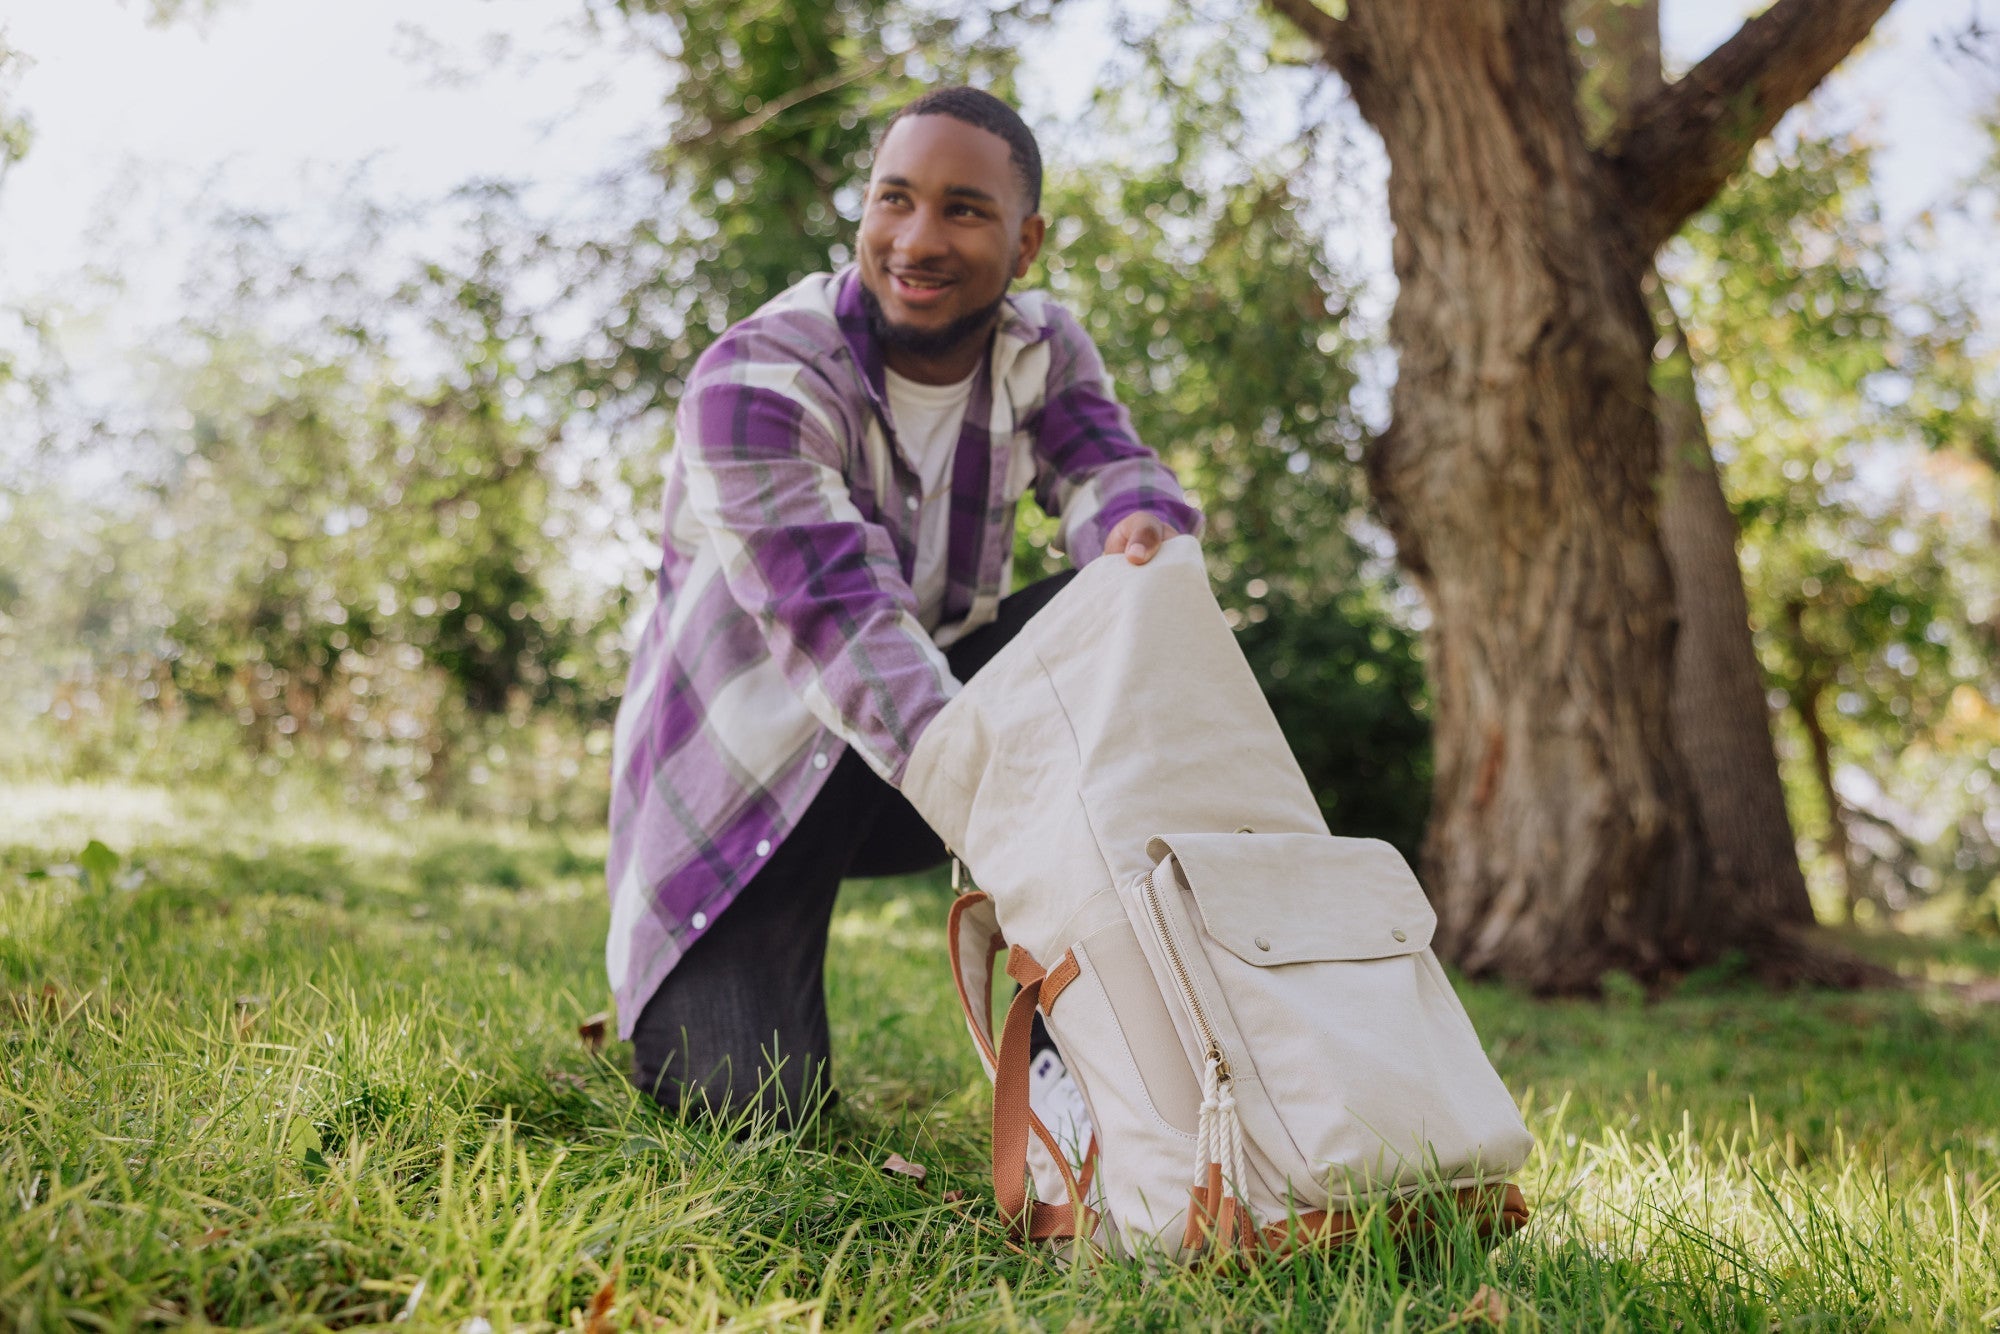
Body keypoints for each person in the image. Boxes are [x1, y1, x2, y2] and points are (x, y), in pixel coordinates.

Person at [605, 85, 1202, 1125]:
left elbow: (1114, 475)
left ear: (1025, 244)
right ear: (864, 215)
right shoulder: (758, 375)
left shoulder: (1040, 350)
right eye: (894, 200)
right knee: (753, 1111)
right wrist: (1017, 811)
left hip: (918, 743)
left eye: (963, 209)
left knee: (1128, 605)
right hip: (754, 780)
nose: (916, 239)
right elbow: (847, 631)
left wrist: (1141, 540)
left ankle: (1087, 1073)